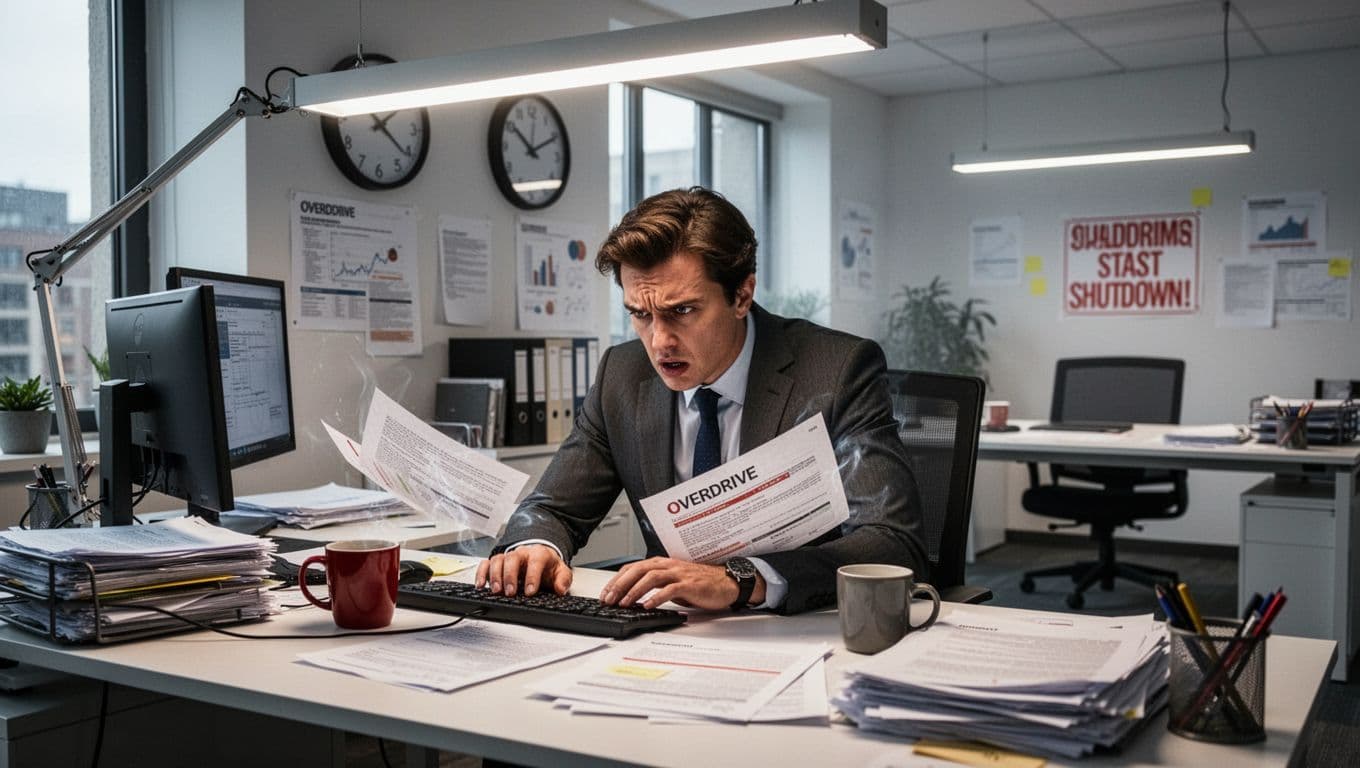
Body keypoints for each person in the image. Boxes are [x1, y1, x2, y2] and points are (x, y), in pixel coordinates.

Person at [475, 187, 925, 614]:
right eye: (640, 314)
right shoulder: (622, 375)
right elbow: (553, 507)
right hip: (667, 629)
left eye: (683, 311)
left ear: (742, 295)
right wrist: (535, 545)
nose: (659, 341)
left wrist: (744, 581)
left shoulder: (835, 370)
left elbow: (890, 542)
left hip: (803, 628)